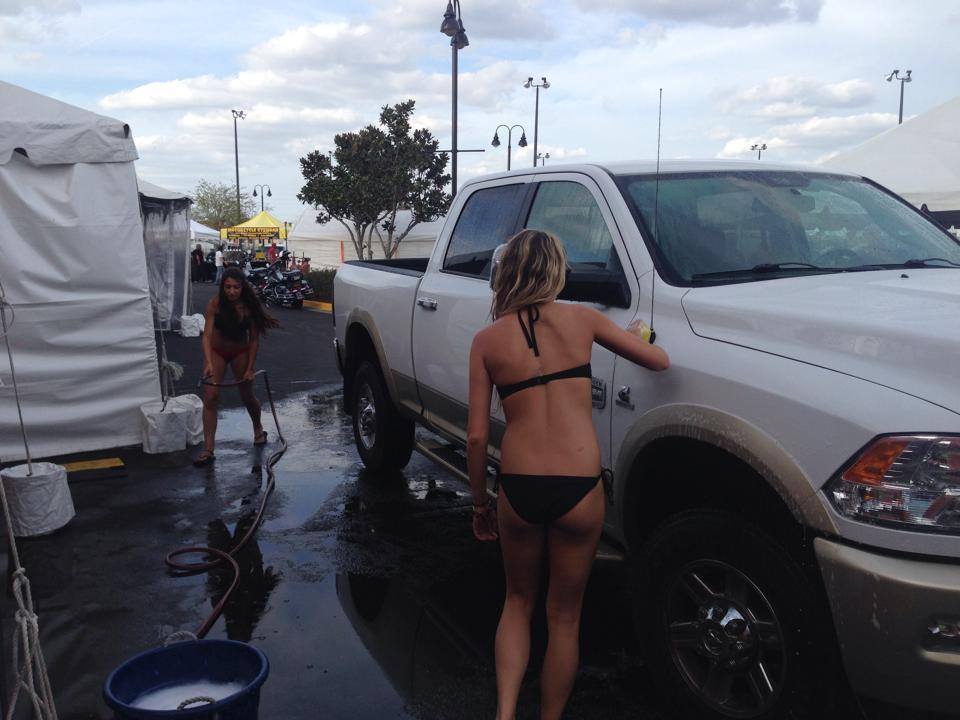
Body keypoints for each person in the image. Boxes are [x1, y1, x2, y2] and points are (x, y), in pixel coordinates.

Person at [467, 229, 669, 720]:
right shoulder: (584, 320)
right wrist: (639, 332)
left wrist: (479, 504)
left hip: (519, 485)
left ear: (507, 271)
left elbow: (475, 437)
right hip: (579, 487)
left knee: (516, 601)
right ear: (556, 270)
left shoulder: (487, 341)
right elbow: (659, 362)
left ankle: (506, 712)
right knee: (564, 616)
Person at [193, 268, 279, 466]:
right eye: (228, 287)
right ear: (223, 287)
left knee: (247, 394)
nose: (232, 291)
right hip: (217, 352)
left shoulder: (249, 307)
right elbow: (206, 335)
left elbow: (254, 340)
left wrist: (250, 368)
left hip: (240, 352)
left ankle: (258, 429)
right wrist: (207, 362)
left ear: (243, 287)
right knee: (211, 396)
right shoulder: (215, 304)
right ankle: (208, 449)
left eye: (236, 287)